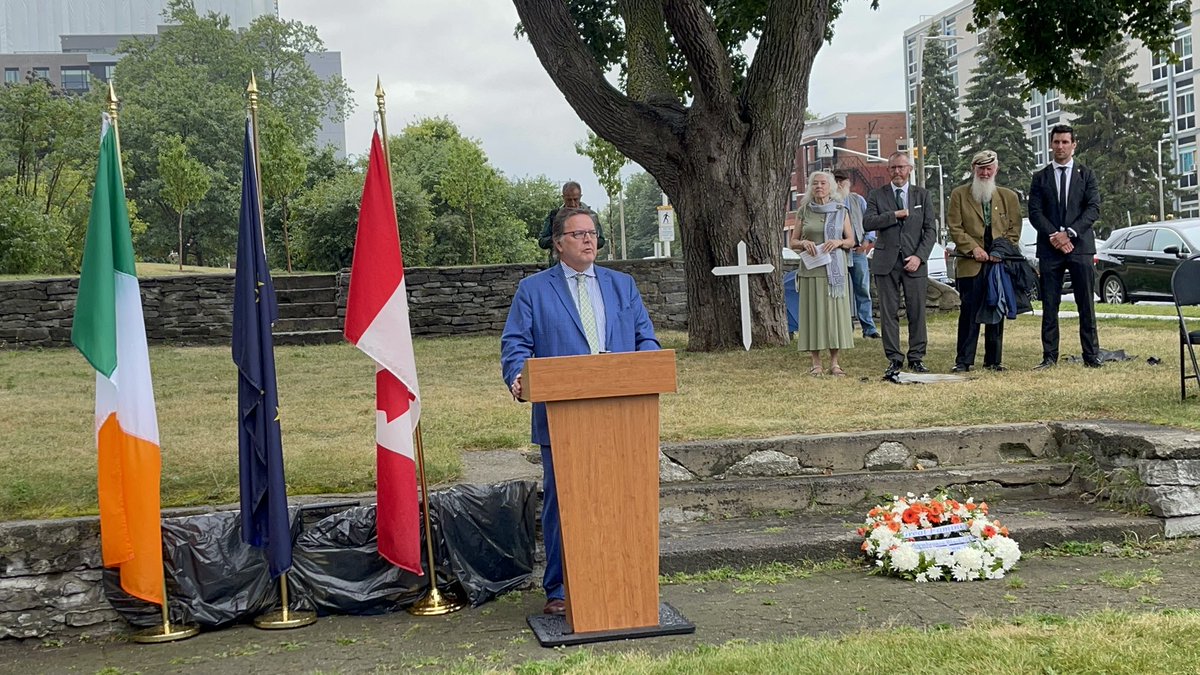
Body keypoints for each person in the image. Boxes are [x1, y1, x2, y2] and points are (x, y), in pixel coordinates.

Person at [500, 206, 659, 616]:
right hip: (562, 418)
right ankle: (560, 589)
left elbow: (646, 340)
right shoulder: (533, 290)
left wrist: (647, 366)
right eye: (578, 234)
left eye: (592, 233)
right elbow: (516, 345)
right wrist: (518, 378)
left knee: (625, 498)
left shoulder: (622, 285)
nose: (589, 240)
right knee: (564, 503)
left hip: (624, 415)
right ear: (558, 244)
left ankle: (627, 579)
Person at [1028, 124, 1102, 370]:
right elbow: (1035, 212)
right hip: (1050, 250)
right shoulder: (1040, 178)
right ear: (1050, 144)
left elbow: (1093, 208)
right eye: (1056, 142)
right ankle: (1049, 356)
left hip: (1080, 247)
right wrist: (1054, 235)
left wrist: (1069, 233)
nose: (1060, 146)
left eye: (1065, 142)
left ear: (1074, 145)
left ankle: (1091, 355)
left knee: (1086, 303)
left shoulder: (1087, 174)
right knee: (1050, 304)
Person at [946, 150, 1023, 372]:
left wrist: (999, 252)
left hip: (998, 264)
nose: (985, 173)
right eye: (981, 169)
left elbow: (1013, 230)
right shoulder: (959, 195)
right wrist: (974, 249)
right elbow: (955, 227)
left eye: (989, 168)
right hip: (971, 264)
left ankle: (993, 361)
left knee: (996, 311)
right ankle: (963, 361)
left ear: (996, 169)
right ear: (974, 170)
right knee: (969, 312)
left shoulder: (1009, 197)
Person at [864, 151, 937, 377]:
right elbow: (867, 222)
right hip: (886, 262)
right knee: (888, 313)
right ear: (889, 170)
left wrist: (919, 257)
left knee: (917, 312)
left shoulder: (922, 196)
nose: (898, 172)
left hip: (914, 261)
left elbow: (930, 231)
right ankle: (894, 358)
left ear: (910, 170)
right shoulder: (877, 195)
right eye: (893, 167)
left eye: (902, 167)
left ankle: (916, 357)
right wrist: (894, 215)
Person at [789, 171, 855, 376]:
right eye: (815, 183)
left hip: (834, 271)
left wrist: (838, 242)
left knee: (834, 316)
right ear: (810, 187)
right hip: (811, 269)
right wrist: (803, 243)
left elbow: (851, 241)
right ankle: (816, 363)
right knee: (813, 315)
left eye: (823, 183)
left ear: (831, 187)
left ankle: (835, 363)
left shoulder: (840, 210)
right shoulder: (804, 211)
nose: (819, 186)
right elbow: (792, 241)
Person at [833, 169, 880, 340]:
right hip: (838, 253)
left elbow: (869, 222)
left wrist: (867, 242)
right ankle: (845, 327)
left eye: (842, 181)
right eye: (836, 181)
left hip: (858, 251)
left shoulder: (857, 200)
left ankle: (869, 328)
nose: (839, 184)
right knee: (841, 290)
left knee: (862, 289)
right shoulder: (830, 202)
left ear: (848, 183)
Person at [537, 181, 606, 257]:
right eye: (569, 200)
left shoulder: (591, 216)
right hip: (559, 263)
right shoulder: (554, 216)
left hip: (584, 263)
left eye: (575, 199)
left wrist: (586, 240)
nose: (572, 204)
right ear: (563, 197)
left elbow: (601, 241)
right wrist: (560, 239)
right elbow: (542, 242)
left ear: (580, 197)